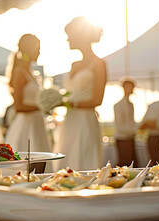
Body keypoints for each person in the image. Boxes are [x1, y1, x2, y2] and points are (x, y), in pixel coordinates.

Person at [54, 17, 106, 171]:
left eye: (70, 34)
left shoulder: (99, 64)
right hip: (70, 120)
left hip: (86, 120)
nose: (67, 39)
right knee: (67, 161)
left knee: (83, 162)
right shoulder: (74, 64)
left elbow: (97, 99)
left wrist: (70, 103)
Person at [4, 34, 50, 153]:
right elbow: (18, 106)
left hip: (37, 123)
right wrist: (41, 106)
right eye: (38, 49)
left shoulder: (30, 73)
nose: (39, 52)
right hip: (26, 126)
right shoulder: (20, 73)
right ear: (30, 49)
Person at [113, 77, 136, 167]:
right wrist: (134, 130)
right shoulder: (118, 105)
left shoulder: (131, 104)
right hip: (122, 139)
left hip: (130, 138)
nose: (132, 89)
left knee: (132, 164)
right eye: (130, 87)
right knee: (124, 164)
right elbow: (119, 126)